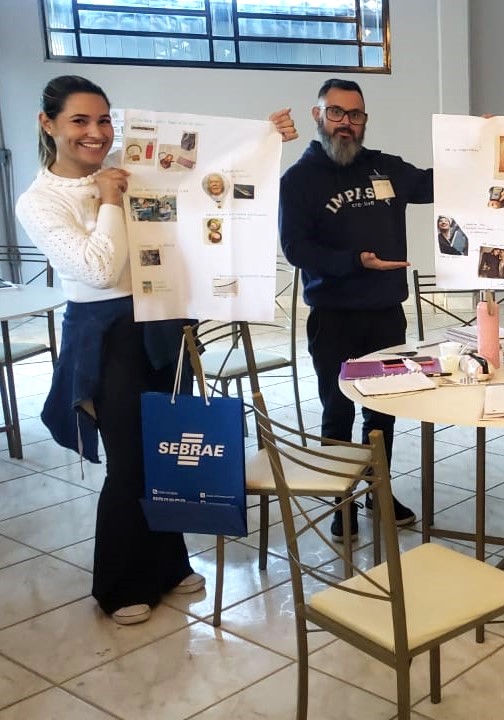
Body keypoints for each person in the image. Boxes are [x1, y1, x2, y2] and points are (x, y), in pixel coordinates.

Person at [14, 75, 297, 626]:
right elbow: (99, 267)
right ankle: (117, 585)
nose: (96, 134)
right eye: (79, 121)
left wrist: (268, 136)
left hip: (161, 319)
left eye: (103, 121)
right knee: (128, 463)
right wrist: (110, 201)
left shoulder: (124, 161)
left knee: (168, 447)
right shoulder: (39, 200)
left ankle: (167, 564)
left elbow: (207, 169)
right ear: (48, 124)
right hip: (106, 332)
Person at [279, 78, 430, 540]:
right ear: (318, 115)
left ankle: (375, 489)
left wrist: (482, 145)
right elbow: (295, 248)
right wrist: (354, 262)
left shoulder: (384, 167)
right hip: (334, 317)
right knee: (338, 411)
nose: (346, 123)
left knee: (383, 413)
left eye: (356, 114)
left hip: (386, 313)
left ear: (365, 119)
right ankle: (340, 499)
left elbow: (432, 183)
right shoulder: (299, 180)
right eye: (337, 112)